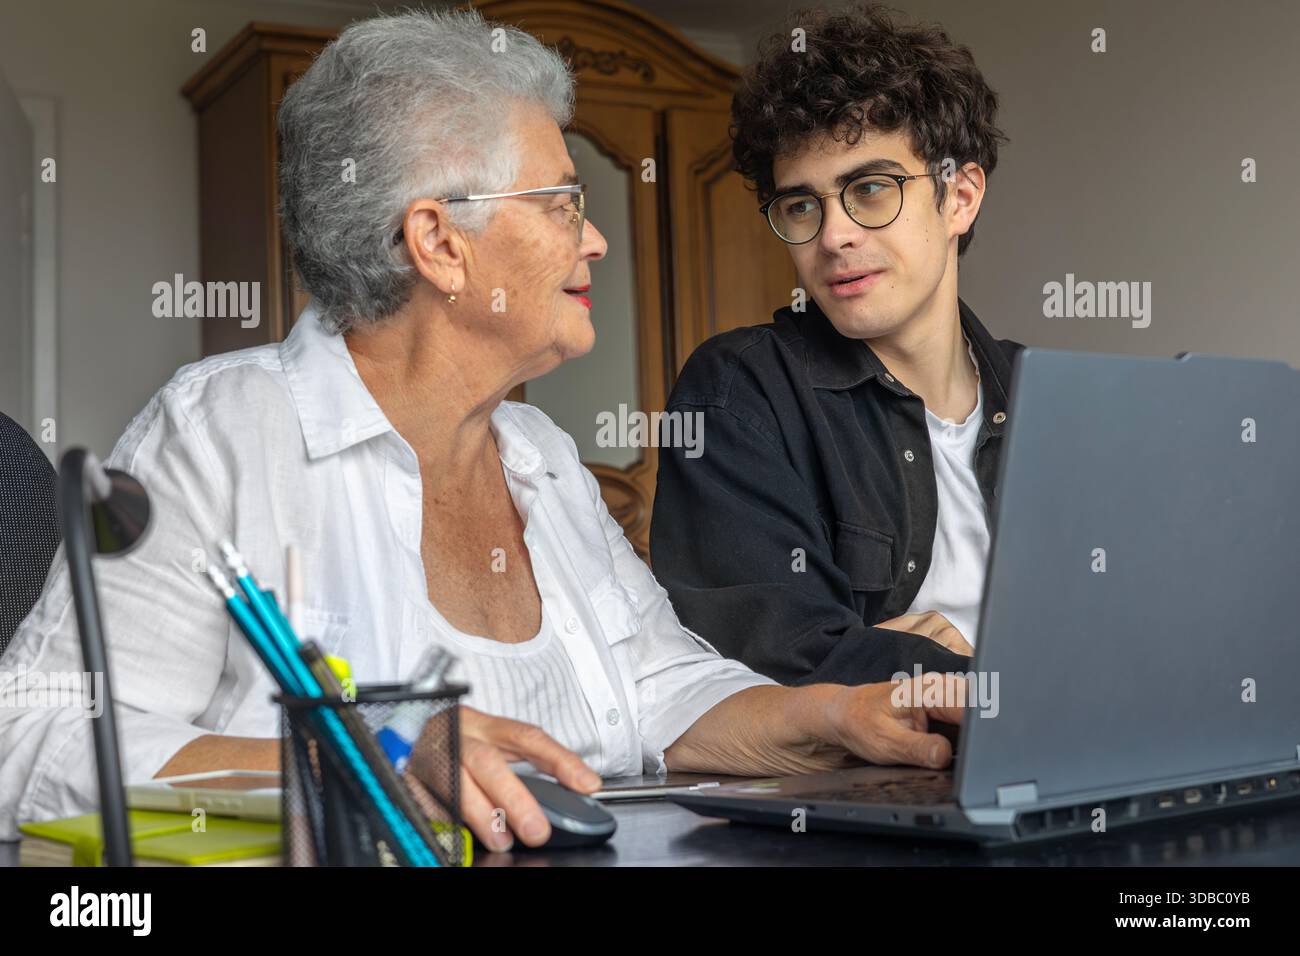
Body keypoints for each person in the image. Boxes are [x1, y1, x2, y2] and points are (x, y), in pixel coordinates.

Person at [0, 8, 964, 853]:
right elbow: (29, 738)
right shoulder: (226, 431)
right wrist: (369, 762)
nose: (593, 239)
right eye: (561, 202)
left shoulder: (538, 457)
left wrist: (841, 713)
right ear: (439, 244)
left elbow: (666, 694)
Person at [652, 3, 1021, 686]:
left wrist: (882, 654)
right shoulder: (736, 394)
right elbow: (766, 663)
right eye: (802, 205)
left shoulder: (1045, 395)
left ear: (960, 197)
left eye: (870, 189)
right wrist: (959, 673)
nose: (833, 236)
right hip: (873, 783)